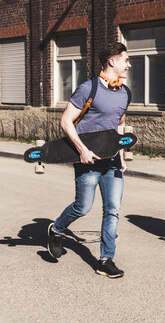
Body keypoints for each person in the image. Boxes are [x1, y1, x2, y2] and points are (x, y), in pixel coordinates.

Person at [47, 42, 132, 278]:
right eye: (126, 60)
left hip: (112, 162)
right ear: (112, 61)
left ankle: (106, 260)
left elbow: (120, 126)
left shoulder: (125, 92)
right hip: (88, 161)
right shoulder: (88, 88)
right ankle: (56, 229)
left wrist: (122, 157)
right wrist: (82, 150)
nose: (129, 64)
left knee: (112, 210)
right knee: (83, 207)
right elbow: (66, 122)